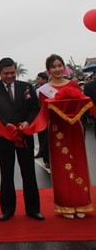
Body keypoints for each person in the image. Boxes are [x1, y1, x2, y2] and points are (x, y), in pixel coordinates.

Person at [0, 58, 44, 221]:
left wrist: (27, 122)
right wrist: (6, 125)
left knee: (29, 173)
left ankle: (33, 209)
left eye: (12, 72)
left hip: (24, 136)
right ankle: (7, 209)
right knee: (6, 173)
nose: (10, 76)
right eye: (6, 73)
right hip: (4, 137)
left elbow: (35, 108)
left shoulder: (26, 87)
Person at [38, 54, 93, 219]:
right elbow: (43, 113)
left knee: (78, 164)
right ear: (48, 70)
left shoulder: (74, 85)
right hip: (57, 130)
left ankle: (81, 202)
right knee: (62, 166)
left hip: (75, 128)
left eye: (60, 65)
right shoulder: (44, 90)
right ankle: (66, 204)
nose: (57, 69)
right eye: (53, 67)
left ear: (64, 67)